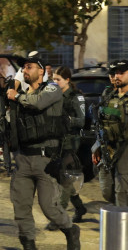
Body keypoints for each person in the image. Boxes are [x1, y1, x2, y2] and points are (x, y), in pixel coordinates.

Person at [6, 52, 80, 250]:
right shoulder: (20, 95)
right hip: (23, 159)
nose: (24, 70)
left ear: (41, 71)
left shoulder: (53, 89)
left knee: (49, 208)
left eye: (29, 67)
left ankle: (70, 229)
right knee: (21, 208)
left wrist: (17, 95)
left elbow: (38, 103)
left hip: (45, 160)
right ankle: (29, 244)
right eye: (23, 68)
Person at [92, 60, 128, 210]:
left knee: (122, 189)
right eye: (114, 73)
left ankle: (124, 219)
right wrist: (97, 147)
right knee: (106, 190)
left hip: (127, 148)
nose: (116, 76)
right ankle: (124, 209)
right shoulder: (108, 96)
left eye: (121, 73)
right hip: (108, 148)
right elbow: (101, 124)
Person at [49, 66, 88, 226]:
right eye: (54, 79)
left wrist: (67, 121)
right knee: (63, 178)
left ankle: (59, 216)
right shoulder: (54, 96)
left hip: (71, 143)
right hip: (57, 142)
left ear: (67, 80)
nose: (55, 82)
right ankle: (79, 207)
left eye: (58, 79)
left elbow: (82, 120)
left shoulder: (75, 97)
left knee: (63, 178)